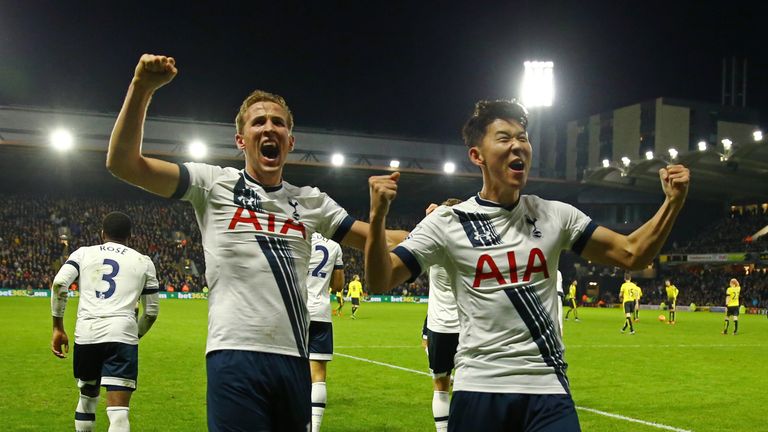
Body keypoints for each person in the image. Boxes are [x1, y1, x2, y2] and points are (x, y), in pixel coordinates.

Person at [107, 54, 407, 431]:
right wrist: (142, 89)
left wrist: (441, 222)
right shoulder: (213, 184)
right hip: (233, 356)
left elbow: (382, 240)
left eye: (278, 123)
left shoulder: (311, 201)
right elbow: (123, 164)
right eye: (259, 122)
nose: (269, 128)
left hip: (294, 358)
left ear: (290, 141)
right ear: (241, 139)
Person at [365, 99, 689, 431]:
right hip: (480, 387)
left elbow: (632, 253)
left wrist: (672, 203)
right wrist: (377, 219)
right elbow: (381, 279)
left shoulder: (555, 215)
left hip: (547, 389)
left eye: (523, 137)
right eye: (504, 138)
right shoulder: (448, 222)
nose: (518, 145)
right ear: (477, 156)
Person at [50, 212, 159, 432]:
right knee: (119, 413)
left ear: (102, 234)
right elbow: (151, 312)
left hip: (87, 333)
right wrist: (132, 336)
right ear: (130, 235)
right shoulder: (143, 261)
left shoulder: (83, 254)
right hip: (122, 335)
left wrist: (58, 327)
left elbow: (60, 283)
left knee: (87, 396)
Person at [424, 198, 462, 432]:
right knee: (470, 384)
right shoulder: (468, 247)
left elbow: (418, 238)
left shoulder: (435, 248)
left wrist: (431, 217)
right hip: (468, 327)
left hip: (440, 326)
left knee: (440, 385)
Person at [306, 233, 345, 432]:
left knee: (290, 369)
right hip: (320, 313)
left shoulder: (296, 236)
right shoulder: (334, 246)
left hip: (295, 312)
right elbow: (338, 286)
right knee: (318, 374)